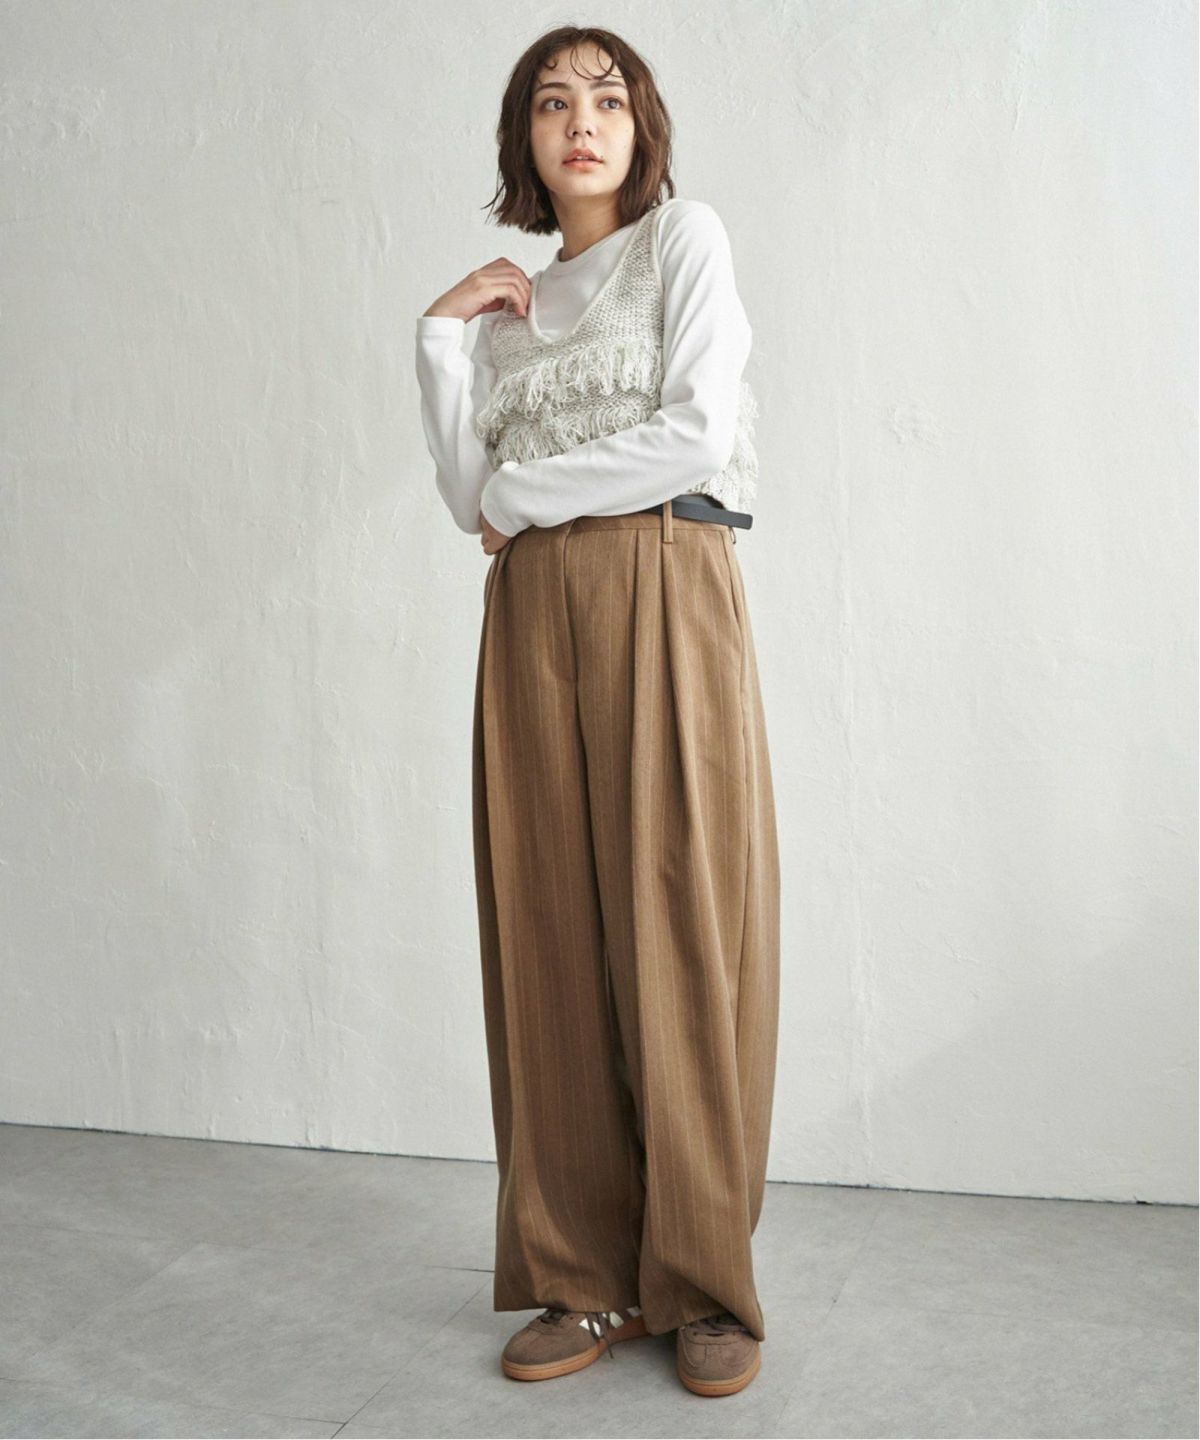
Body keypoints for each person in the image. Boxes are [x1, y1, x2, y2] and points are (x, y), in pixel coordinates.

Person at [414, 24, 780, 1399]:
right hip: (531, 623)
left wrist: (524, 496)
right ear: (524, 137)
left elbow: (695, 432)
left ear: (642, 127)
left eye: (608, 98)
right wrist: (440, 333)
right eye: (554, 102)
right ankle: (582, 1277)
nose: (583, 120)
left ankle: (704, 1281)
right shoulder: (513, 306)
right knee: (550, 931)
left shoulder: (684, 240)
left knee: (680, 924)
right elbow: (469, 499)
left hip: (667, 578)